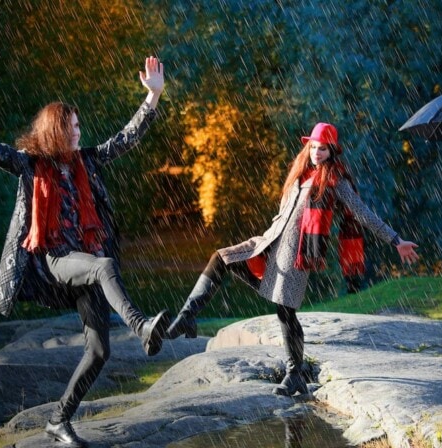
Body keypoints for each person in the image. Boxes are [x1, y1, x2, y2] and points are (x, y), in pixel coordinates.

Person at [0, 58, 170, 447]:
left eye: (78, 126)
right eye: (72, 127)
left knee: (99, 351)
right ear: (56, 130)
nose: (78, 132)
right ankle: (142, 327)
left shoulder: (86, 161)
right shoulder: (31, 165)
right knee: (104, 266)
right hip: (56, 260)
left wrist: (153, 96)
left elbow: (125, 139)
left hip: (87, 260)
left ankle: (58, 420)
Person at [164, 122, 420, 396]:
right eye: (313, 147)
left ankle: (294, 374)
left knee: (285, 312)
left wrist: (396, 240)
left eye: (323, 149)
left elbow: (363, 213)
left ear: (332, 151)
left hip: (297, 255)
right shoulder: (300, 173)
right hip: (269, 242)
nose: (317, 153)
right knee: (222, 258)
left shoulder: (336, 181)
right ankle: (187, 316)